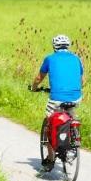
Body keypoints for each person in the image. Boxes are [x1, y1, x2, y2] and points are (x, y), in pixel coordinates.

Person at [29, 34, 84, 166]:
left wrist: (34, 88)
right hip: (76, 96)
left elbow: (39, 78)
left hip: (57, 97)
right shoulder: (77, 59)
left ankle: (51, 157)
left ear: (54, 47)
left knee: (50, 122)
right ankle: (72, 137)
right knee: (70, 117)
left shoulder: (50, 59)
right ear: (68, 46)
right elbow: (82, 80)